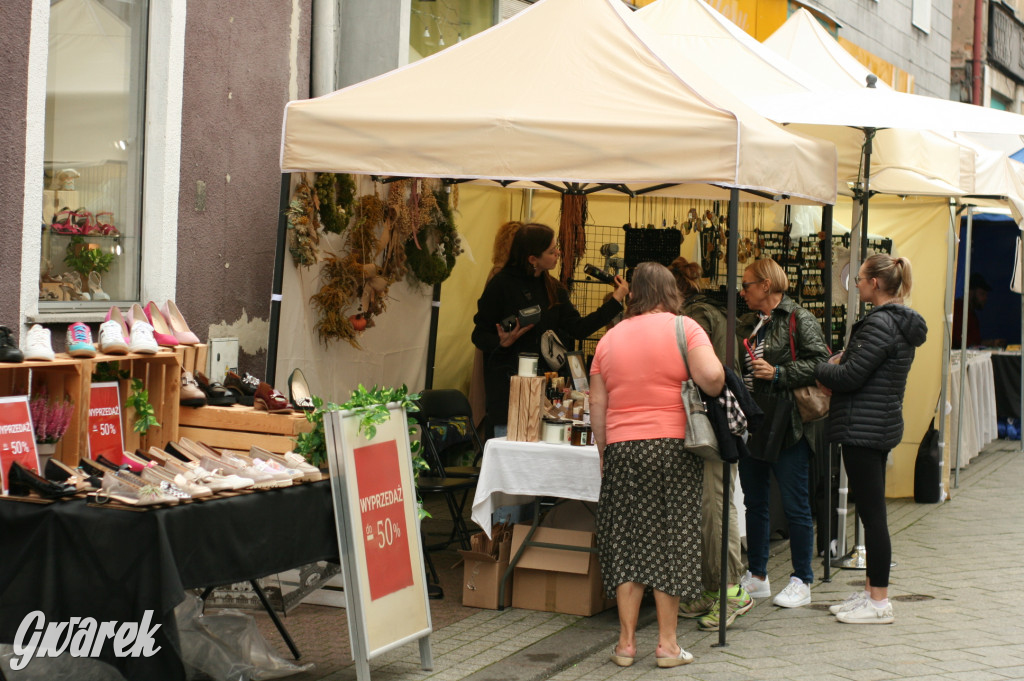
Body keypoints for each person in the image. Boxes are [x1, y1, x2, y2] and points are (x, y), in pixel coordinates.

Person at [591, 262, 725, 669]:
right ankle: (667, 645)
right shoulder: (686, 329)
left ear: (633, 294)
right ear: (672, 292)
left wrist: (604, 451)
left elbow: (597, 403)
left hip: (622, 448)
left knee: (626, 542)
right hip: (673, 447)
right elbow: (713, 378)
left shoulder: (610, 338)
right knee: (672, 540)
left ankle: (625, 644)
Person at [815, 254, 927, 624]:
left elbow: (850, 377)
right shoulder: (897, 323)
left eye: (859, 279)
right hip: (875, 425)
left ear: (875, 283)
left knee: (873, 516)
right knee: (871, 511)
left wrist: (822, 369)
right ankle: (870, 592)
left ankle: (878, 600)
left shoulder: (881, 324)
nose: (856, 285)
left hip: (864, 428)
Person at [472, 223, 627, 436]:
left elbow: (579, 328)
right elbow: (479, 334)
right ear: (532, 259)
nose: (558, 254)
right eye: (552, 251)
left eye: (557, 248)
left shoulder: (553, 288)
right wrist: (501, 341)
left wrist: (615, 301)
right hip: (509, 393)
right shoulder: (501, 285)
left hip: (546, 395)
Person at [736, 258, 829, 609]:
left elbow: (821, 361)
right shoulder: (751, 322)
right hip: (755, 421)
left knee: (794, 503)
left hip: (788, 423)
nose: (742, 291)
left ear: (765, 285)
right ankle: (757, 575)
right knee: (755, 501)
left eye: (746, 285)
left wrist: (777, 373)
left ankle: (802, 579)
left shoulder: (797, 318)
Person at [668, 256, 751, 630]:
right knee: (712, 508)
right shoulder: (710, 312)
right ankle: (714, 588)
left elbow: (699, 372)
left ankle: (731, 592)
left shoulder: (694, 320)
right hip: (716, 425)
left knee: (715, 510)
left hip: (710, 426)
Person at [951, 272, 1002, 347]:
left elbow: (975, 342)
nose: (985, 298)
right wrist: (991, 343)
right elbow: (963, 343)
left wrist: (992, 343)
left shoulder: (972, 314)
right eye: (982, 294)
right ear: (970, 292)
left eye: (986, 295)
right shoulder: (958, 310)